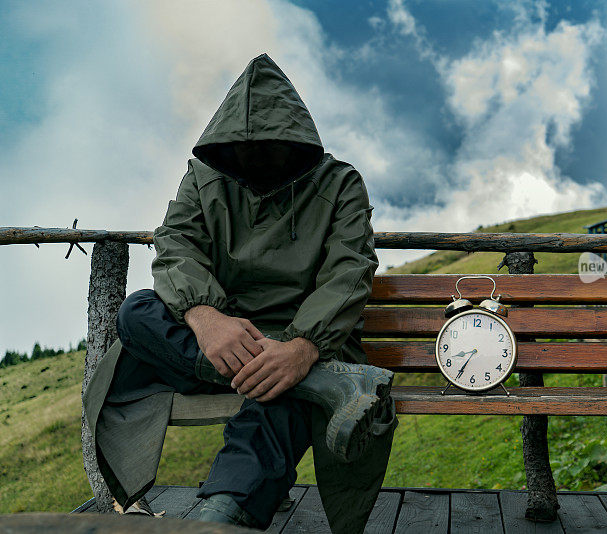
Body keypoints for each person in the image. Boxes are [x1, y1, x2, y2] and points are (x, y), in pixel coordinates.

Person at [83, 53, 397, 533]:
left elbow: (349, 270)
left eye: (272, 145)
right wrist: (205, 317)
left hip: (296, 339)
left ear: (297, 137)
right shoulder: (203, 176)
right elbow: (176, 241)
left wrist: (301, 347)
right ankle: (328, 384)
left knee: (280, 392)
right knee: (137, 312)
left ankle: (219, 518)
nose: (258, 157)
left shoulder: (340, 184)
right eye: (245, 146)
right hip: (216, 339)